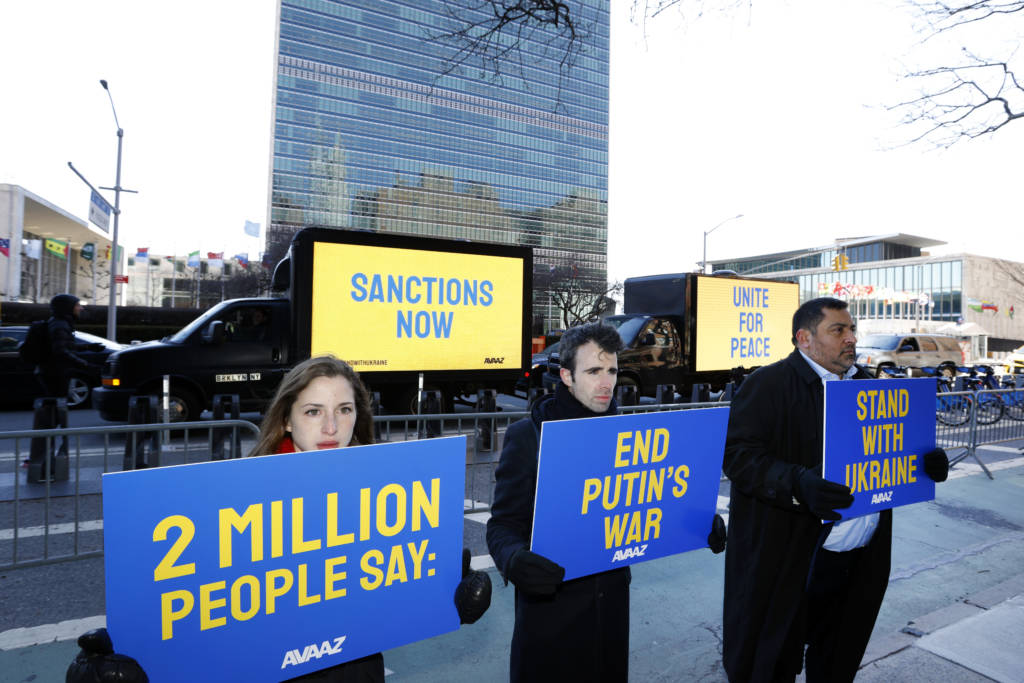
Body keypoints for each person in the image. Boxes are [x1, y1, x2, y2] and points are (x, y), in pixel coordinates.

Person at [69, 356, 490, 683]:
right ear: (287, 418)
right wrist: (109, 662)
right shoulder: (230, 501)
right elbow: (185, 602)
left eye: (344, 410)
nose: (331, 426)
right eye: (313, 411)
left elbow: (391, 587)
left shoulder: (386, 497)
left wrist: (444, 593)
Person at [721, 297, 949, 683]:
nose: (850, 338)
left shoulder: (868, 385)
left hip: (859, 560)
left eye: (852, 329)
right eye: (838, 330)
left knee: (838, 659)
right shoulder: (767, 385)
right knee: (771, 661)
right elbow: (737, 456)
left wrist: (924, 462)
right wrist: (796, 483)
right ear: (804, 338)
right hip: (791, 559)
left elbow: (889, 447)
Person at [487, 322, 727, 682]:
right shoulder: (530, 436)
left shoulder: (625, 434)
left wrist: (698, 522)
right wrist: (514, 559)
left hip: (611, 612)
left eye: (612, 370)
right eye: (594, 371)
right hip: (550, 616)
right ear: (566, 376)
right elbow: (502, 525)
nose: (607, 382)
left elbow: (648, 502)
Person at [36, 293, 102, 400]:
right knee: (57, 403)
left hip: (51, 371)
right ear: (67, 308)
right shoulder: (60, 325)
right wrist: (86, 365)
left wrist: (88, 347)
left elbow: (65, 345)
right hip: (55, 372)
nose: (80, 308)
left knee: (54, 403)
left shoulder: (58, 323)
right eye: (77, 305)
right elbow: (61, 351)